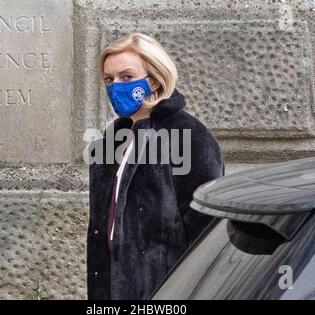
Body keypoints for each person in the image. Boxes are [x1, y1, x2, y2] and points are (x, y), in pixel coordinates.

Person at [87, 32, 225, 300]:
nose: (115, 86)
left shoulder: (189, 134)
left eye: (127, 77)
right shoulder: (110, 143)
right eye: (109, 79)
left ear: (154, 79)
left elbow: (207, 228)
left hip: (166, 290)